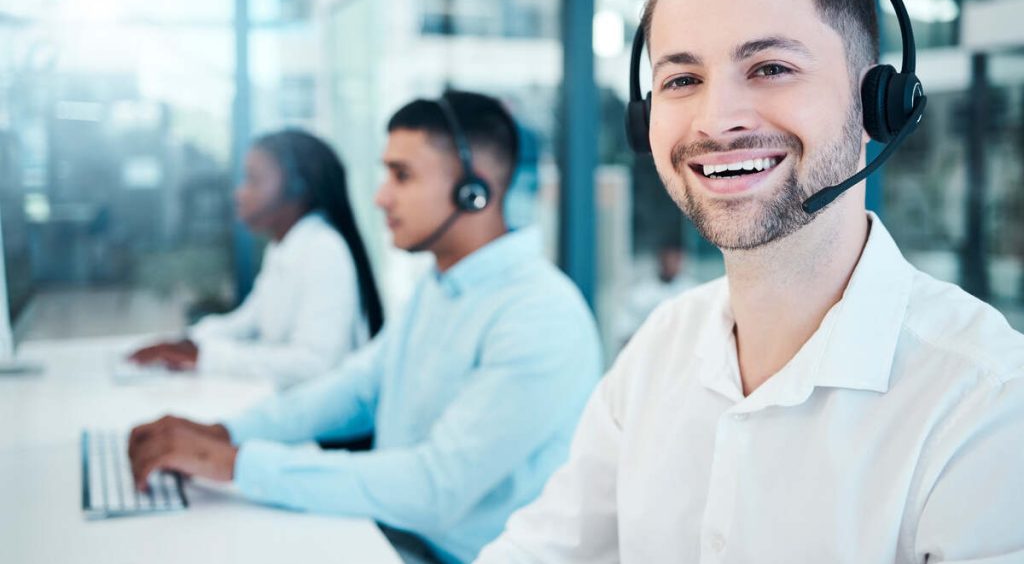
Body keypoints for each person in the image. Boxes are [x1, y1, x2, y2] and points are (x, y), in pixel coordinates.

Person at [478, 0, 1024, 562]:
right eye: (681, 79)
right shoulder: (659, 350)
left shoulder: (986, 402)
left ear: (879, 99)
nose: (716, 120)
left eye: (770, 68)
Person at [127, 91, 602, 564]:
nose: (380, 196)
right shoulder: (439, 286)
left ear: (473, 189)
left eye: (402, 175)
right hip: (395, 540)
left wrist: (236, 464)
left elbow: (434, 485)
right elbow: (359, 388)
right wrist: (226, 433)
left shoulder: (540, 314)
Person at [129, 130, 385, 389]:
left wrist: (208, 356)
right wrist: (189, 341)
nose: (239, 194)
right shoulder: (284, 246)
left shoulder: (324, 250)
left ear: (297, 189)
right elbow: (248, 321)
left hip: (324, 423)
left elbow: (314, 364)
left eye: (253, 180)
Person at [611, 242, 698, 356]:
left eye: (676, 259)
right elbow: (624, 332)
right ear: (660, 259)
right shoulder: (641, 293)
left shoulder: (693, 291)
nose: (671, 263)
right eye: (668, 258)